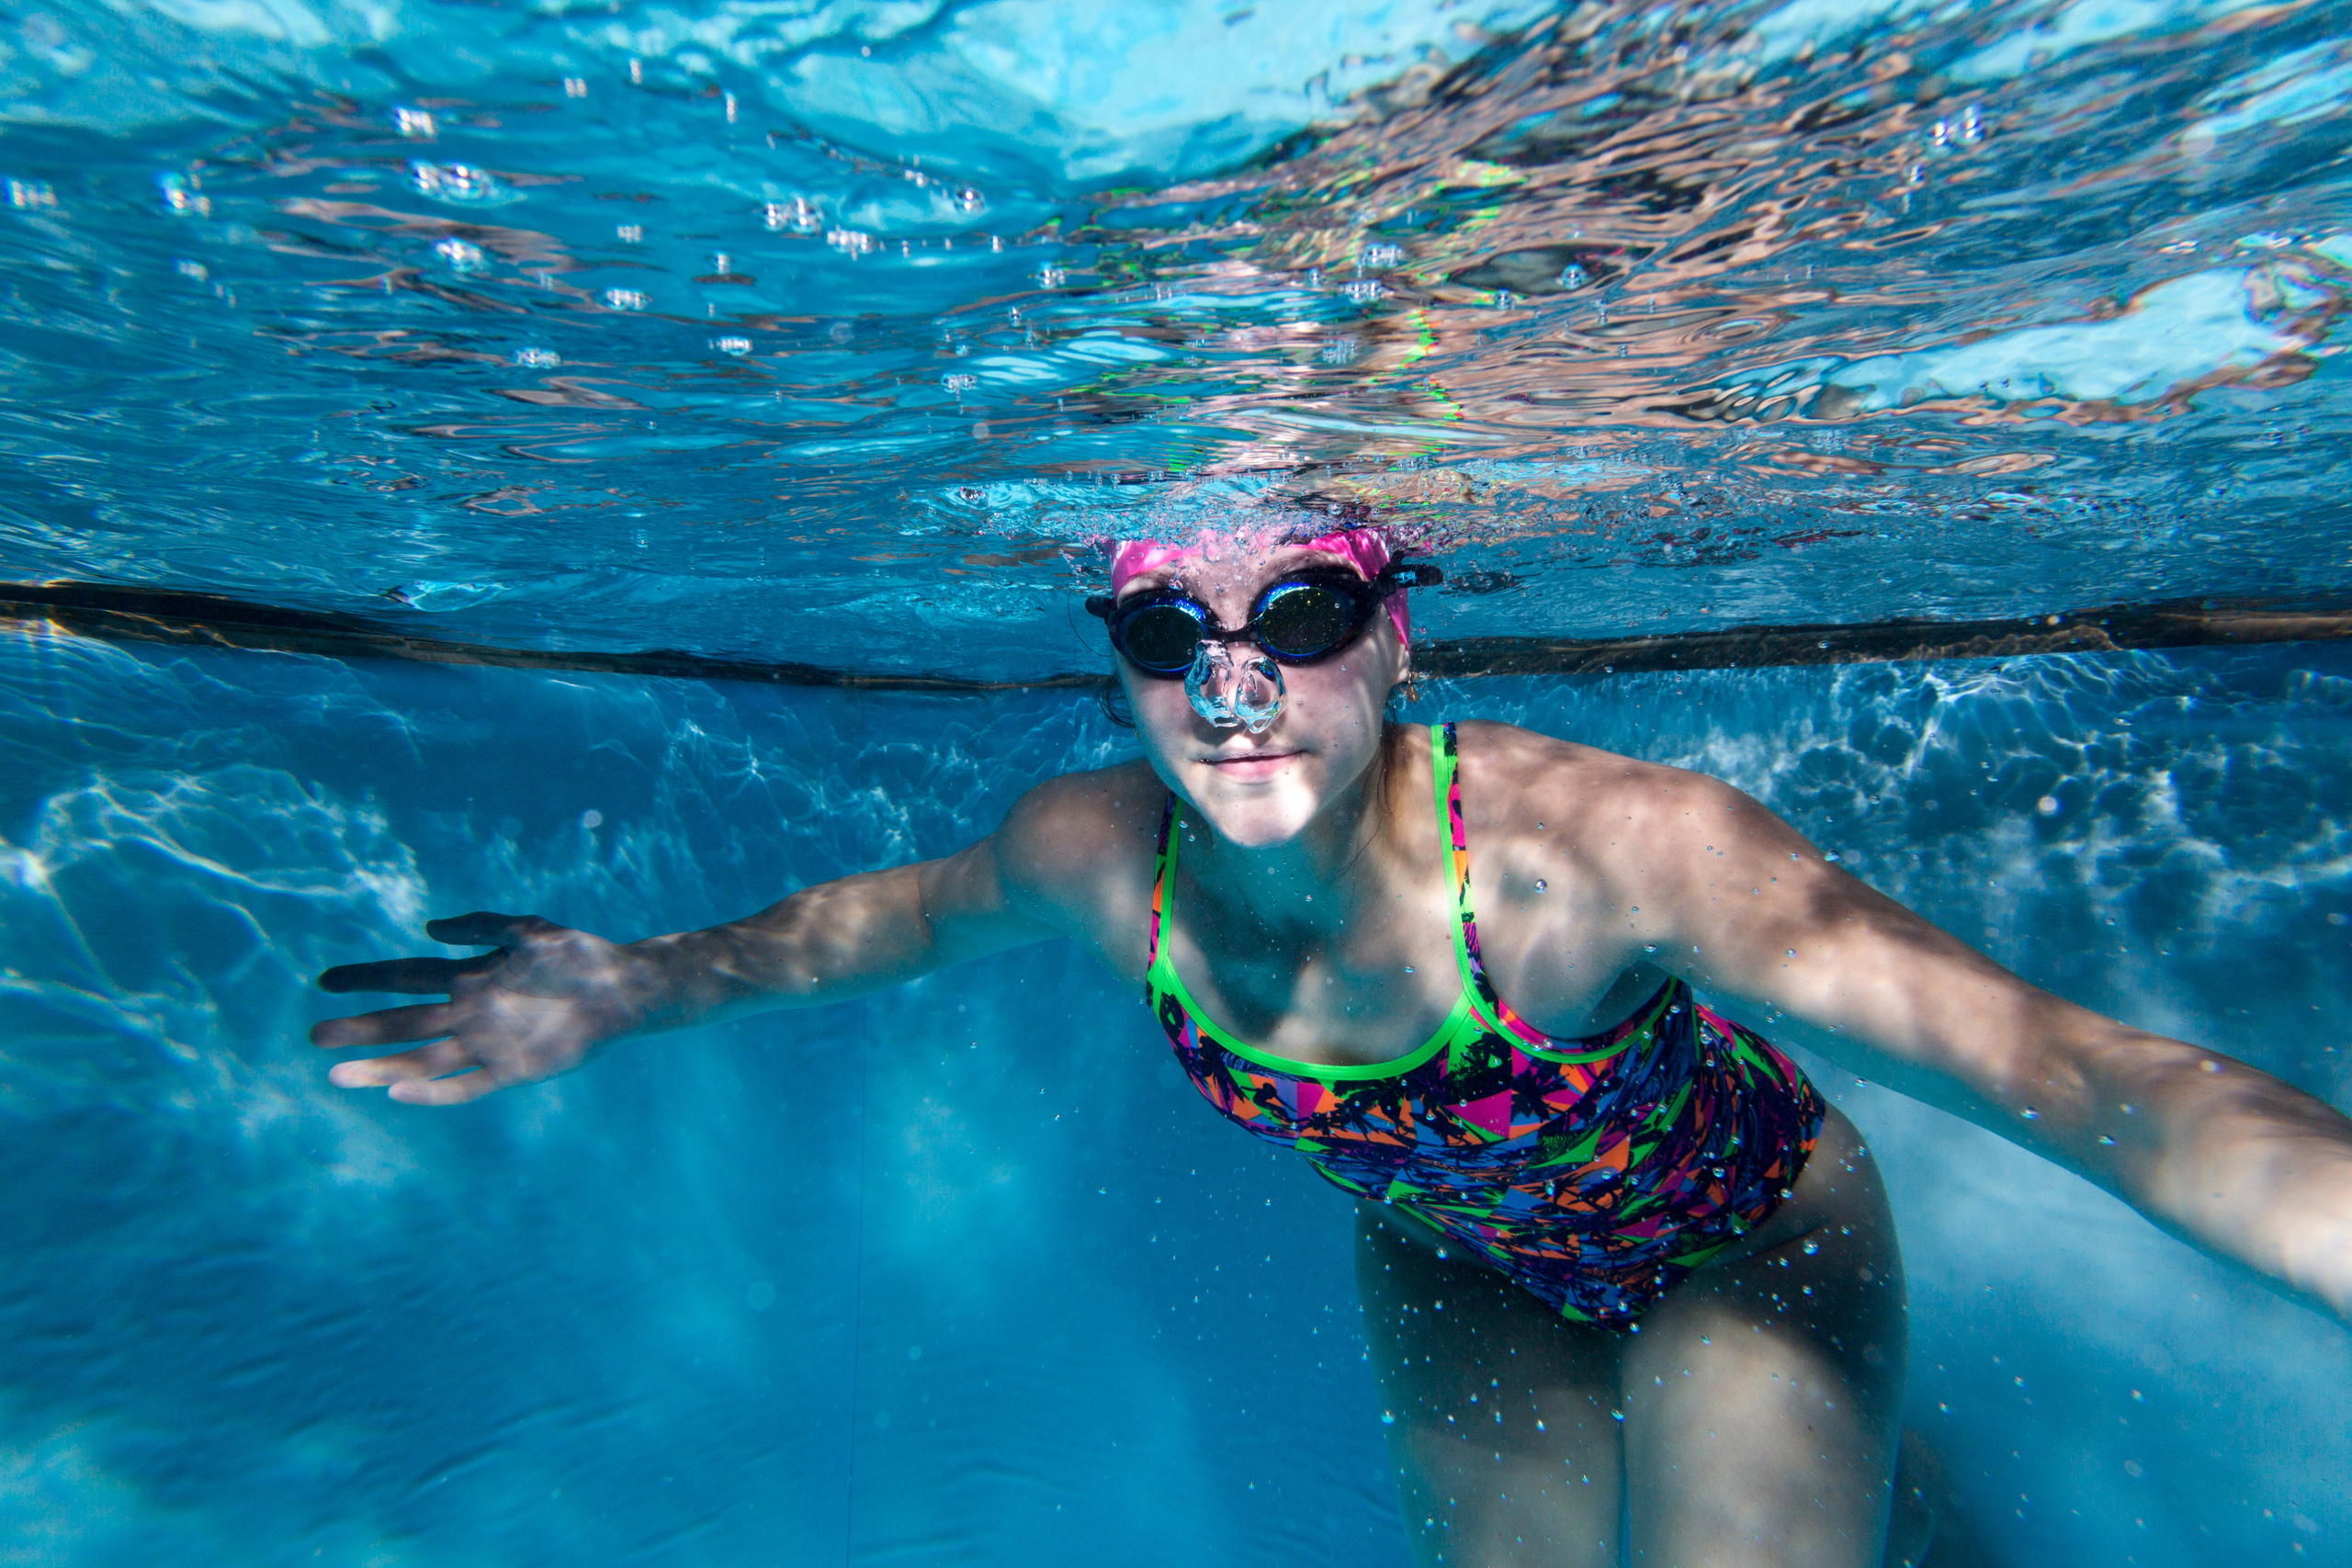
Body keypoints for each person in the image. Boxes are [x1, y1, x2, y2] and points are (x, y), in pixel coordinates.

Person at [311, 521, 2352, 1568]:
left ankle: (1892, 1495)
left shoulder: (1600, 854)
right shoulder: (1097, 859)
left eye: (1294, 609)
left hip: (1745, 1232)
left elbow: (2084, 1076)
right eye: (1162, 635)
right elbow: (889, 923)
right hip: (1451, 1256)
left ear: (1392, 634)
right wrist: (625, 979)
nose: (1230, 684)